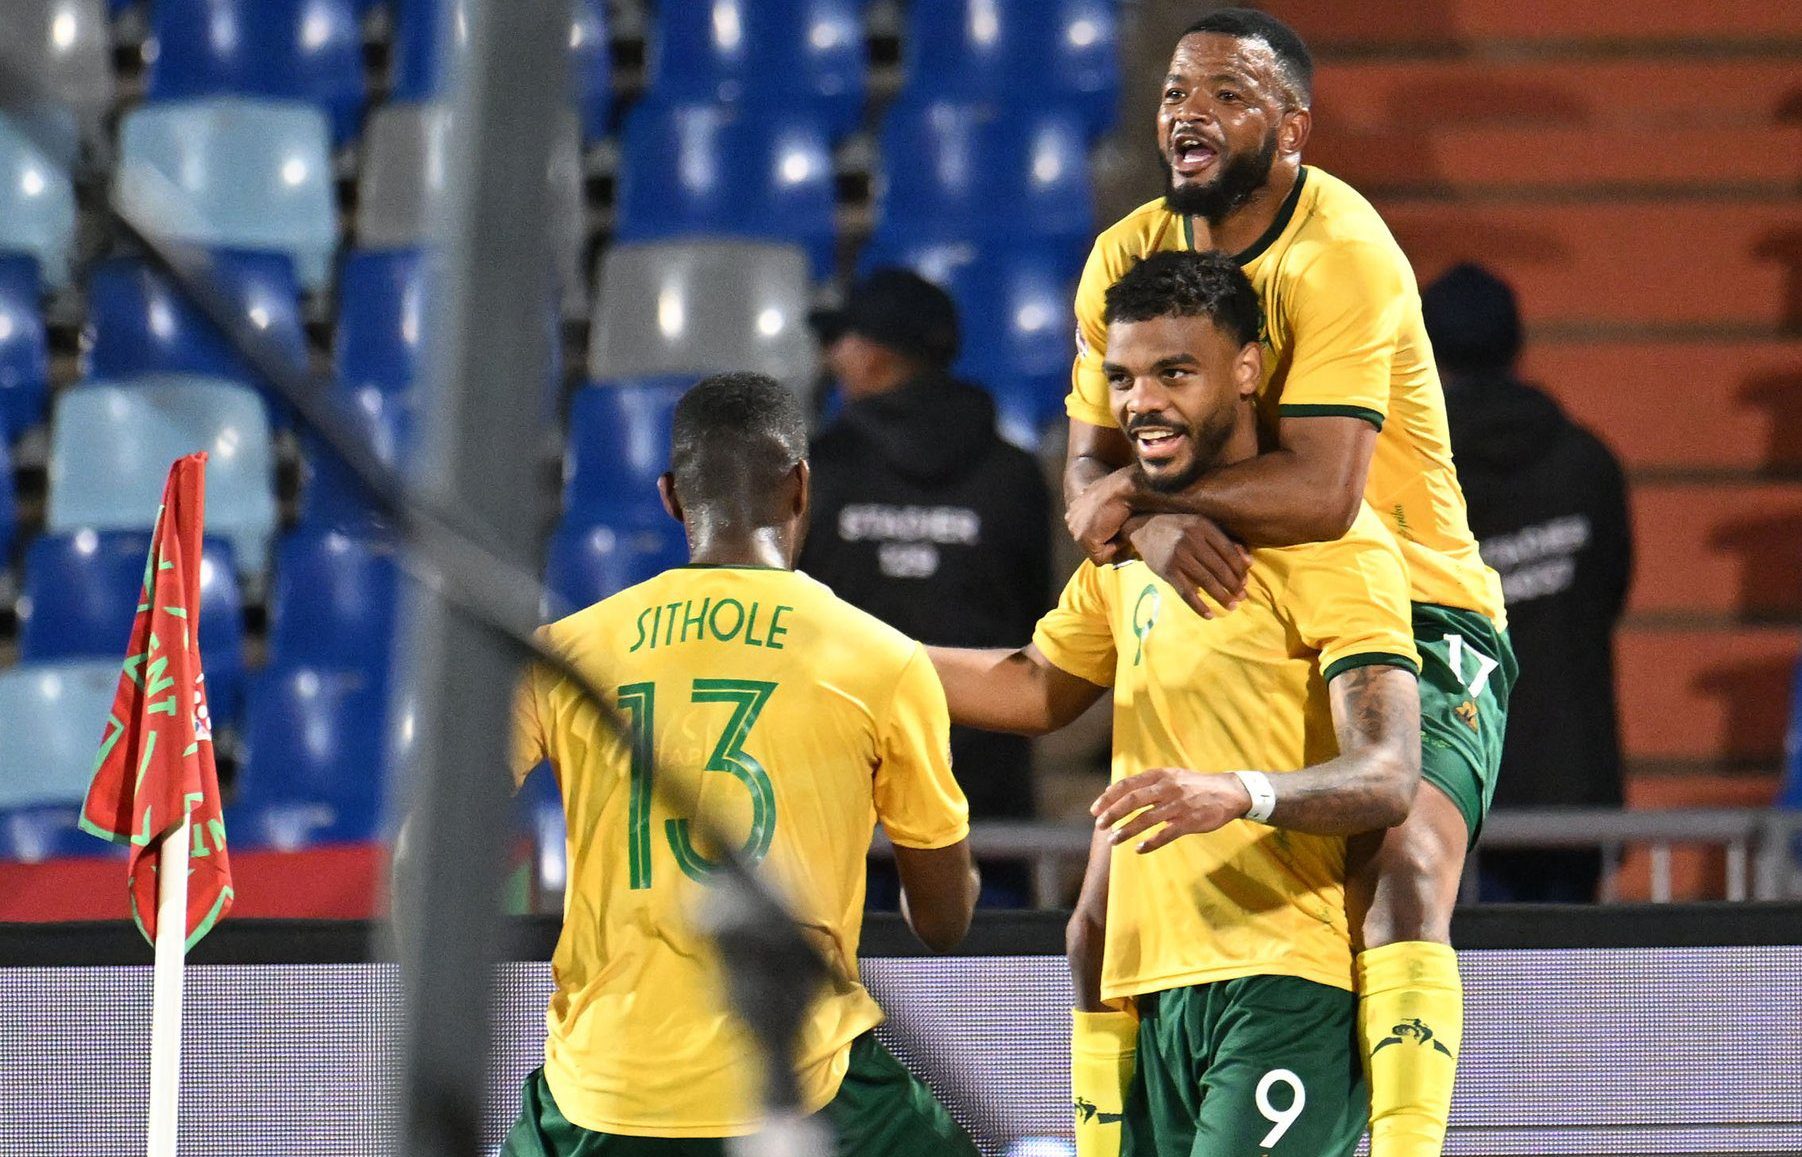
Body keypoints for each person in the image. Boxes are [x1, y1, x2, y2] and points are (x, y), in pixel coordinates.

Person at [1058, 11, 1516, 1155]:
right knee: (1099, 912)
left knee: (1400, 853)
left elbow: (1320, 494)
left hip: (1410, 598)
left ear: (1292, 130)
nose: (1184, 115)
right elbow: (1083, 476)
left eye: (1222, 94)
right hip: (1232, 596)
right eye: (1172, 93)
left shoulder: (1340, 252)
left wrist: (1140, 514)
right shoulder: (1122, 254)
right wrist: (1142, 534)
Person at [933, 250, 1425, 1156]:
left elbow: (1389, 774)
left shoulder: (1335, 545)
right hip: (1148, 988)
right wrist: (848, 660)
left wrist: (1240, 792)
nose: (1140, 402)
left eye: (1174, 371)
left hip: (1282, 979)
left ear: (1246, 369)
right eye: (1121, 377)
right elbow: (1036, 684)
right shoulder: (1129, 554)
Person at [504, 373, 981, 1155]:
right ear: (801, 486)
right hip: (805, 1081)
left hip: (604, 1091)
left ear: (670, 497)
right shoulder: (882, 659)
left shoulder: (565, 652)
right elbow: (942, 922)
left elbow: (436, 842)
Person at [803, 269, 1053, 903]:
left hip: (847, 796)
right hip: (981, 802)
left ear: (873, 352)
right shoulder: (1015, 475)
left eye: (843, 339)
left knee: (848, 995)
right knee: (988, 997)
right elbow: (1038, 622)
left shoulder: (816, 472)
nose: (832, 357)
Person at [1422, 263, 1633, 902]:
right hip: (1577, 779)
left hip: (1455, 778)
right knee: (1568, 997)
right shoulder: (1585, 461)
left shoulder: (1415, 476)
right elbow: (1609, 591)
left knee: (1476, 996)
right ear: (1517, 344)